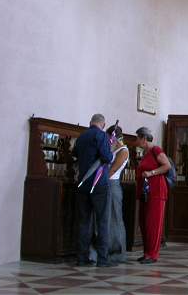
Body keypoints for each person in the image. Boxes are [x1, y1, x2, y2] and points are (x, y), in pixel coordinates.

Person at [74, 114, 114, 267]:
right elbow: (107, 157)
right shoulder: (101, 135)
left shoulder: (82, 136)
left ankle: (82, 258)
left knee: (84, 221)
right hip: (98, 184)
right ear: (103, 124)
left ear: (90, 122)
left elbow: (76, 154)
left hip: (83, 183)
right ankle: (103, 259)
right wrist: (110, 147)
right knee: (103, 220)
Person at [135, 126, 171, 264]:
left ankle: (153, 254)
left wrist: (151, 173)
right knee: (144, 223)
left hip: (156, 191)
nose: (136, 141)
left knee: (153, 224)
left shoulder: (156, 150)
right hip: (146, 192)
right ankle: (146, 253)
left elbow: (167, 165)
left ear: (144, 138)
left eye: (138, 138)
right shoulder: (145, 152)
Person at [106, 124, 129, 263]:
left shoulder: (123, 151)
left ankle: (118, 253)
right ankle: (108, 250)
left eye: (110, 137)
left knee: (116, 218)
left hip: (113, 185)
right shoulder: (114, 148)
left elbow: (113, 169)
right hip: (108, 185)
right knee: (109, 219)